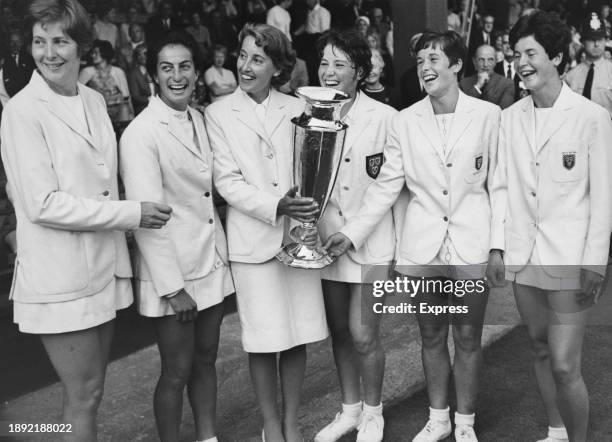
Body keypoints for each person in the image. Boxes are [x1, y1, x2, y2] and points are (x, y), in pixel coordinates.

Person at [0, 0, 172, 440]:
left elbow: (100, 181)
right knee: (82, 395)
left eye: (60, 40)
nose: (49, 52)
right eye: (40, 42)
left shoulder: (95, 100)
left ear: (82, 46)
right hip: (59, 278)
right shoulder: (22, 111)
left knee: (93, 392)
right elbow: (42, 204)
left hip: (104, 266)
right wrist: (131, 214)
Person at [325, 30, 500, 442]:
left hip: (472, 243)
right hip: (423, 246)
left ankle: (465, 424)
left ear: (457, 65)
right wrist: (351, 235)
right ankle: (438, 419)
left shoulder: (489, 115)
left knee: (469, 336)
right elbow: (386, 186)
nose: (426, 68)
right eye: (421, 61)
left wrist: (498, 245)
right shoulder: (404, 120)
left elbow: (501, 184)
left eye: (435, 59)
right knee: (432, 335)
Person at [487, 11, 612, 442]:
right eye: (517, 53)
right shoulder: (510, 118)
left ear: (556, 56)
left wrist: (596, 262)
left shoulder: (591, 117)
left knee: (564, 363)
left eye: (531, 52)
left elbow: (603, 197)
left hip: (571, 258)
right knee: (539, 348)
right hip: (525, 255)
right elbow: (501, 185)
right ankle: (555, 431)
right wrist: (496, 246)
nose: (522, 62)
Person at [205, 23, 328, 442]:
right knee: (262, 340)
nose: (245, 65)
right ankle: (270, 426)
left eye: (257, 58)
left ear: (277, 67)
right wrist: (275, 205)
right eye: (242, 56)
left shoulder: (298, 106)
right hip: (252, 243)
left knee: (297, 334)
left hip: (297, 239)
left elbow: (311, 169)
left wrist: (303, 207)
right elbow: (226, 181)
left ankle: (292, 422)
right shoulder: (217, 113)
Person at [120, 31, 233, 442]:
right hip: (174, 275)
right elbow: (146, 218)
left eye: (184, 65)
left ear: (196, 72)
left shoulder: (200, 118)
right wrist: (172, 288)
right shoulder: (140, 133)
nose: (177, 75)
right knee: (176, 371)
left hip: (210, 262)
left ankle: (208, 437)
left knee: (206, 360)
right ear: (153, 75)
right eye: (166, 67)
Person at [313, 29, 398, 442]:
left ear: (360, 71)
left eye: (339, 65)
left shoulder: (385, 118)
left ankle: (373, 412)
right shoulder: (309, 113)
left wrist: (353, 232)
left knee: (365, 334)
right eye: (325, 63)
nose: (329, 72)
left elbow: (388, 185)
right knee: (341, 333)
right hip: (326, 242)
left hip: (370, 243)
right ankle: (349, 410)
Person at [565, 13, 612, 118]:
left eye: (600, 39)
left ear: (606, 41)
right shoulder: (571, 77)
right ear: (583, 42)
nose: (596, 44)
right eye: (591, 39)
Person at [79, 39, 134, 127]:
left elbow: (126, 96)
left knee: (124, 108)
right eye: (92, 53)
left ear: (104, 53)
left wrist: (131, 114)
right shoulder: (88, 72)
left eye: (96, 53)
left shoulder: (118, 71)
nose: (92, 55)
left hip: (118, 109)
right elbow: (76, 93)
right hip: (98, 110)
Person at [460, 44, 515, 109]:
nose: (485, 64)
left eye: (490, 60)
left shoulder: (506, 83)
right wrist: (478, 86)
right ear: (474, 61)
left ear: (495, 62)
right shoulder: (464, 83)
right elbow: (463, 109)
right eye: (481, 59)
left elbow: (503, 112)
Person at [0, 29, 36, 107]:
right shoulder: (3, 59)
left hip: (28, 102)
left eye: (18, 42)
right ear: (8, 43)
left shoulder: (29, 59)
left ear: (22, 43)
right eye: (12, 42)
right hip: (9, 103)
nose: (15, 45)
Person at [494, 30, 528, 103]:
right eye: (505, 43)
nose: (508, 46)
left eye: (511, 43)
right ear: (501, 46)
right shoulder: (494, 69)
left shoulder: (525, 69)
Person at [128, 43, 155, 115]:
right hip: (143, 109)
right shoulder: (134, 73)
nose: (142, 57)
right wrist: (152, 100)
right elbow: (135, 97)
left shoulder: (156, 70)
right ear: (136, 57)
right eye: (139, 54)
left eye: (145, 53)